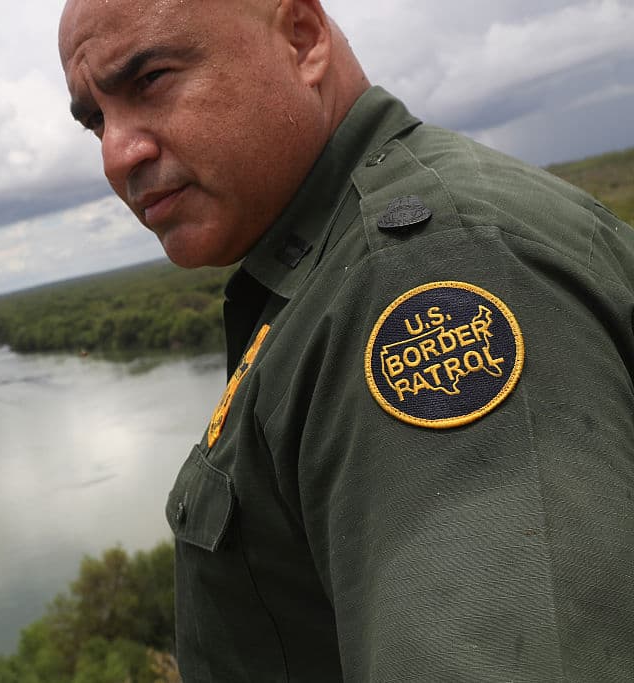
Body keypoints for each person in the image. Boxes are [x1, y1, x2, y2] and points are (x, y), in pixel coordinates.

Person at [59, 0, 634, 680]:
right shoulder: (328, 261)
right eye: (97, 119)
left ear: (302, 40)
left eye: (149, 79)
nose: (117, 154)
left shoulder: (423, 275)